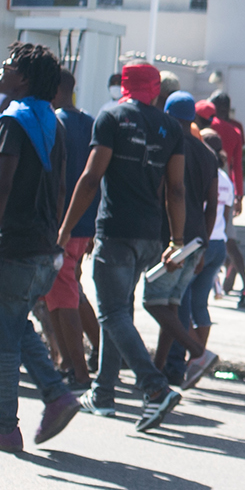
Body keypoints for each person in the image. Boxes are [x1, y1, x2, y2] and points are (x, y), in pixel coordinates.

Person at [0, 43, 81, 451]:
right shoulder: (53, 123)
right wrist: (55, 238)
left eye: (7, 67)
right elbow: (60, 187)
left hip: (14, 244)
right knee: (15, 323)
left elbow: (2, 185)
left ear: (23, 78)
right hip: (44, 244)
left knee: (0, 333)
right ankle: (56, 394)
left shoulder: (12, 121)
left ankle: (5, 424)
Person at [55, 61, 186, 433]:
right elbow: (176, 189)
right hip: (151, 235)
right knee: (120, 312)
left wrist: (64, 230)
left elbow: (92, 176)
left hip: (115, 231)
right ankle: (103, 393)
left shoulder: (111, 117)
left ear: (124, 84)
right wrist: (176, 240)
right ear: (156, 88)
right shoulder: (170, 127)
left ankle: (155, 387)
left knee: (111, 314)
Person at [154, 90, 219, 388]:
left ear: (168, 115)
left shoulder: (167, 143)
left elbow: (166, 192)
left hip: (171, 236)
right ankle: (166, 369)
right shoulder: (208, 154)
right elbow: (213, 202)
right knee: (173, 304)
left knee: (156, 303)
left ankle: (192, 355)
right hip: (196, 239)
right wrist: (203, 244)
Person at [45, 69, 100, 390]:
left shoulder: (54, 123)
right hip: (83, 224)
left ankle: (78, 372)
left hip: (60, 225)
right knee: (65, 293)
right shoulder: (89, 123)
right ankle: (69, 363)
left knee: (63, 297)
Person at [179, 128, 234, 373]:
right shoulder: (225, 178)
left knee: (178, 301)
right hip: (219, 244)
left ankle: (195, 354)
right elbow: (226, 215)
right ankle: (197, 359)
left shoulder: (201, 169)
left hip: (200, 243)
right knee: (200, 303)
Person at [206, 92, 245, 308]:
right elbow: (237, 165)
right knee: (225, 234)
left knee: (216, 236)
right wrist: (239, 195)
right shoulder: (235, 129)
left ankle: (239, 280)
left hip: (207, 182)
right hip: (226, 186)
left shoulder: (208, 127)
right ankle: (231, 275)